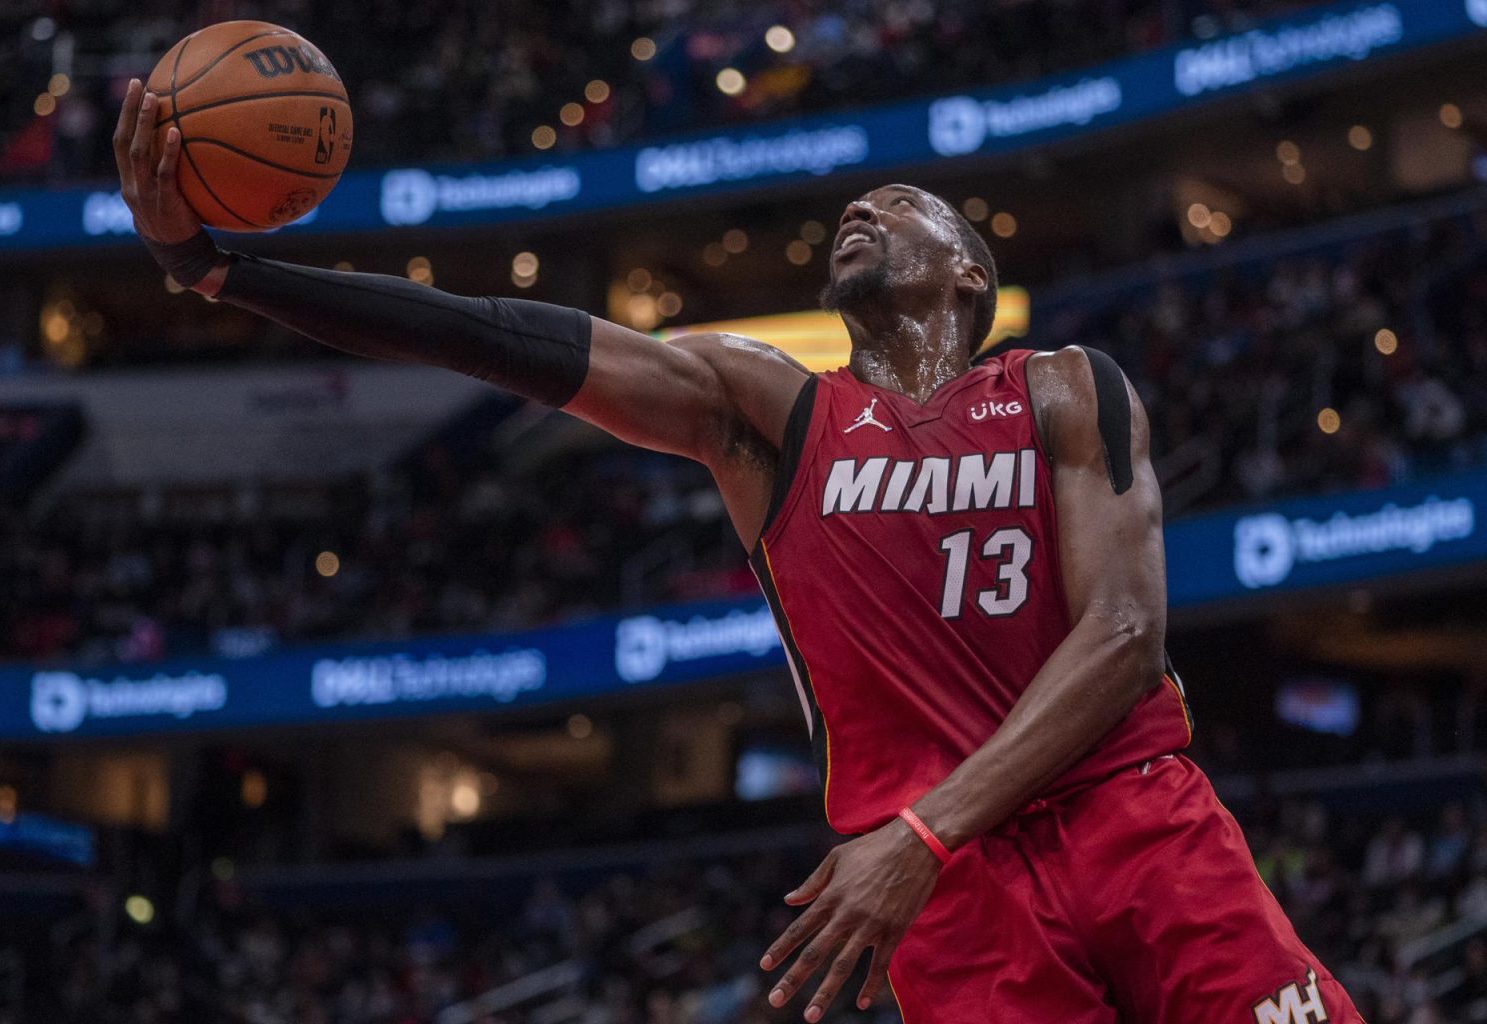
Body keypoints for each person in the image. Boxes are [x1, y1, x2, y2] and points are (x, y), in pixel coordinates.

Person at [114, 79, 1360, 1023]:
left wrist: (920, 833)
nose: (860, 211)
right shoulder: (776, 411)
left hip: (1119, 821)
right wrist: (222, 272)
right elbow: (498, 337)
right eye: (851, 213)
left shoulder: (1061, 387)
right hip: (947, 893)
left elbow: (1127, 636)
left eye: (899, 203)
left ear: (970, 272)